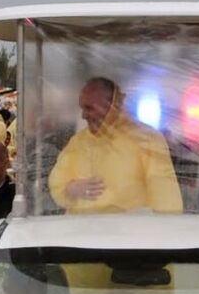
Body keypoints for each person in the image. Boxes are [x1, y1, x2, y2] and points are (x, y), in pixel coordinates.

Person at [47, 77, 183, 214]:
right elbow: (57, 184)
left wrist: (166, 229)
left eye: (90, 108)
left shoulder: (146, 140)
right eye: (82, 108)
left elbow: (165, 194)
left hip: (130, 232)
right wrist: (70, 190)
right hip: (81, 231)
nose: (84, 115)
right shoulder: (78, 142)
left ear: (111, 106)